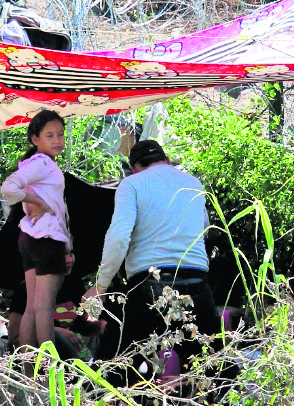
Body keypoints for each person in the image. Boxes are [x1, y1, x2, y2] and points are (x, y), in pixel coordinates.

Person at [83, 139, 221, 370]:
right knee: (214, 370)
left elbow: (118, 237)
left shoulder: (132, 184)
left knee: (112, 368)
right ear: (166, 161)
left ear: (134, 168)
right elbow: (204, 228)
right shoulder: (194, 183)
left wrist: (101, 285)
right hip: (196, 284)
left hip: (149, 285)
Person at [1, 110, 72, 350]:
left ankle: (29, 372)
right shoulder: (43, 164)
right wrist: (39, 202)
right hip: (45, 240)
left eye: (60, 134)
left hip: (30, 238)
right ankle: (49, 373)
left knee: (32, 306)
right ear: (35, 139)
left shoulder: (35, 164)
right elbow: (9, 187)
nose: (57, 140)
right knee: (44, 307)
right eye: (49, 135)